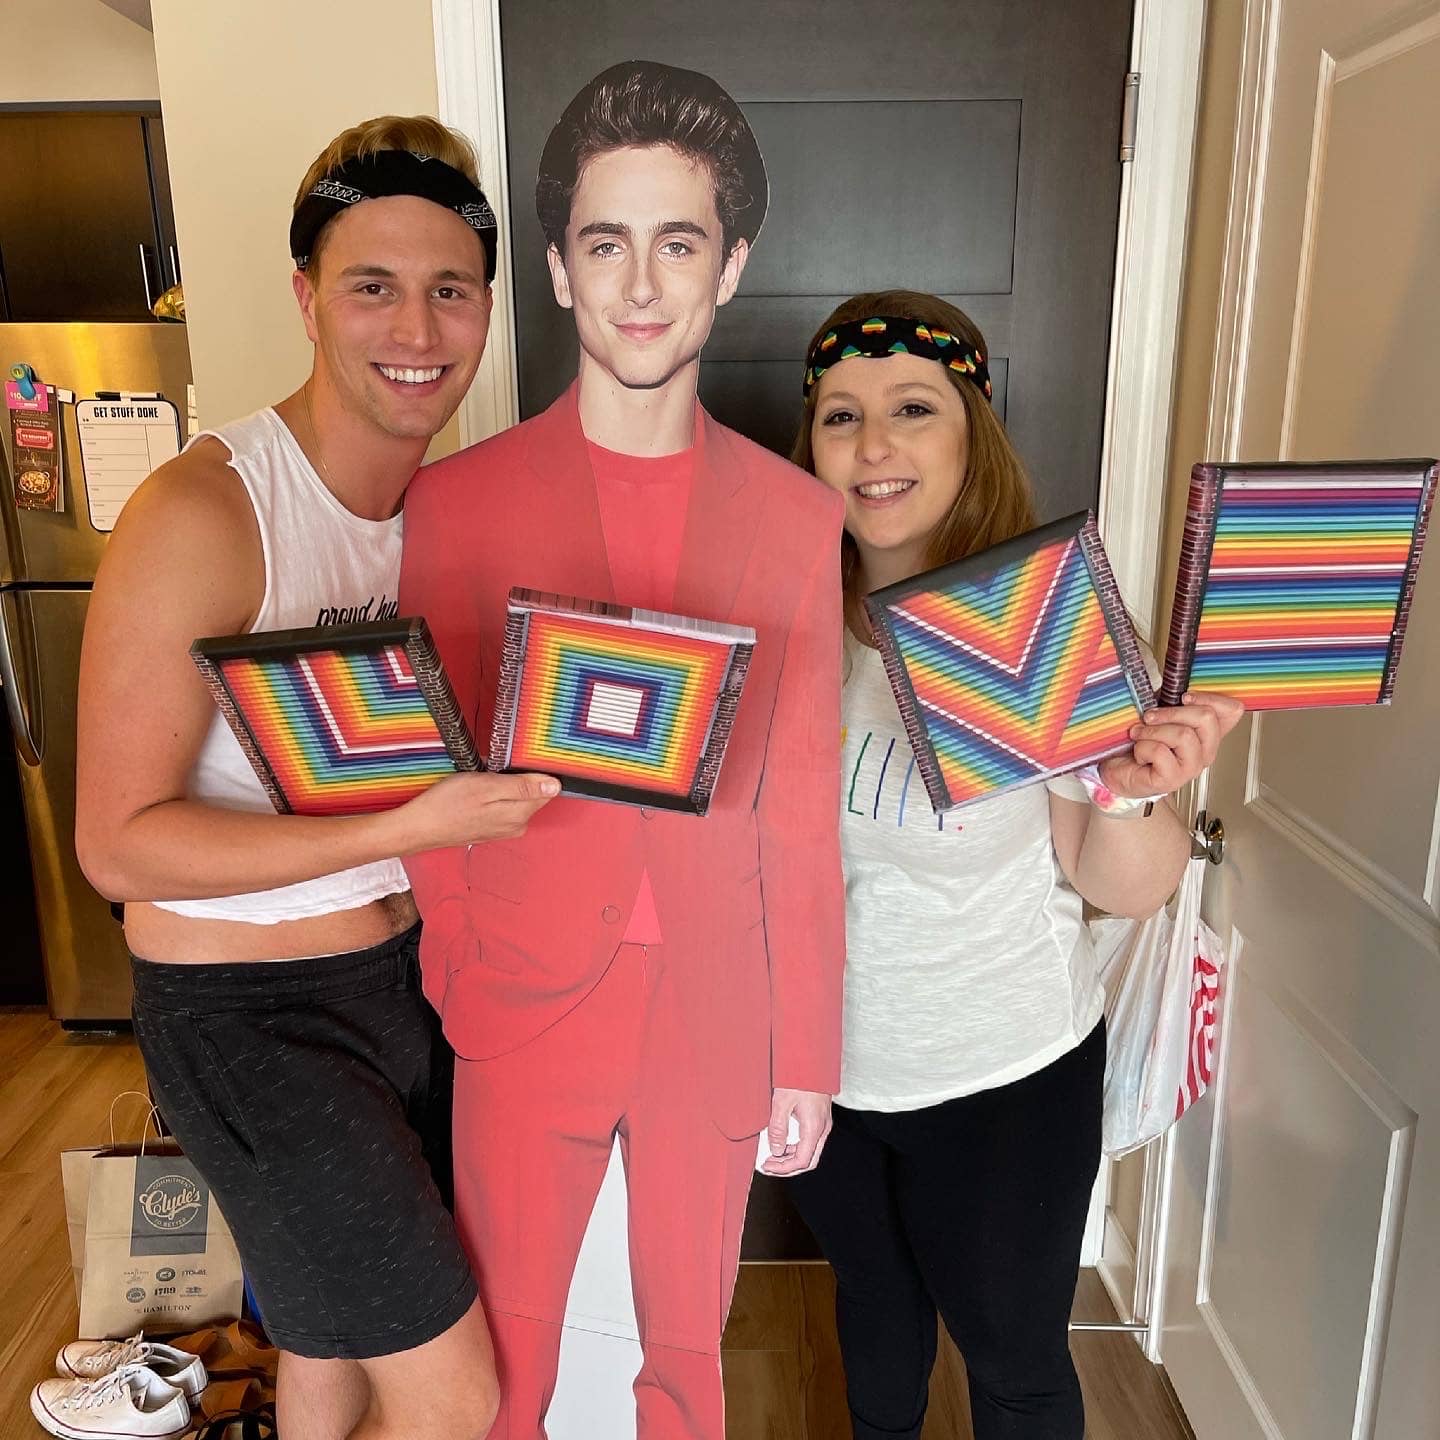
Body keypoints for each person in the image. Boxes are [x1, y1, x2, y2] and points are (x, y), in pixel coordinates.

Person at [73, 116, 559, 1440]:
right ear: (306, 297)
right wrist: (410, 824)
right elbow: (117, 845)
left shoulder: (448, 517)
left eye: (450, 288)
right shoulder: (205, 512)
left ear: (485, 307)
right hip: (247, 1021)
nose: (418, 325)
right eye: (372, 284)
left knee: (332, 1348)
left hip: (410, 988)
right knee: (453, 1396)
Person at [399, 60, 846, 1439]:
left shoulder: (792, 518)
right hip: (523, 992)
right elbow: (431, 772)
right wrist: (459, 965)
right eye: (607, 244)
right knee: (506, 1382)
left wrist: (804, 1050)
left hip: (712, 1004)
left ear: (730, 269)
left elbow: (799, 809)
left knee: (689, 1372)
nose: (642, 284)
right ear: (556, 267)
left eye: (679, 243)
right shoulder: (459, 502)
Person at [782, 290, 1245, 1440]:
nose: (874, 445)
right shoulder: (782, 618)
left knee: (1014, 1360)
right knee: (876, 1317)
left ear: (970, 432)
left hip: (1002, 1073)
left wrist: (1134, 790)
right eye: (841, 416)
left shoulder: (1043, 631)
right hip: (822, 1073)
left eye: (911, 409)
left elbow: (1122, 885)